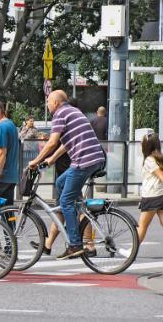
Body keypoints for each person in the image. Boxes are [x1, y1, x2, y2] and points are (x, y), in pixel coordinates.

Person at [28, 90, 105, 260]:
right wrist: (51, 160)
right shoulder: (73, 111)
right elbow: (64, 143)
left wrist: (36, 160)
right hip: (93, 159)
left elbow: (53, 142)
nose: (47, 104)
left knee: (65, 201)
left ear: (55, 102)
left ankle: (75, 244)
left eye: (48, 101)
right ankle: (77, 209)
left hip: (83, 161)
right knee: (60, 184)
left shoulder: (60, 114)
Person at [137, 132, 163, 242]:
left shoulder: (149, 160)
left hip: (151, 197)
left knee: (142, 226)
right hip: (160, 194)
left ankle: (132, 251)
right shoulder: (158, 158)